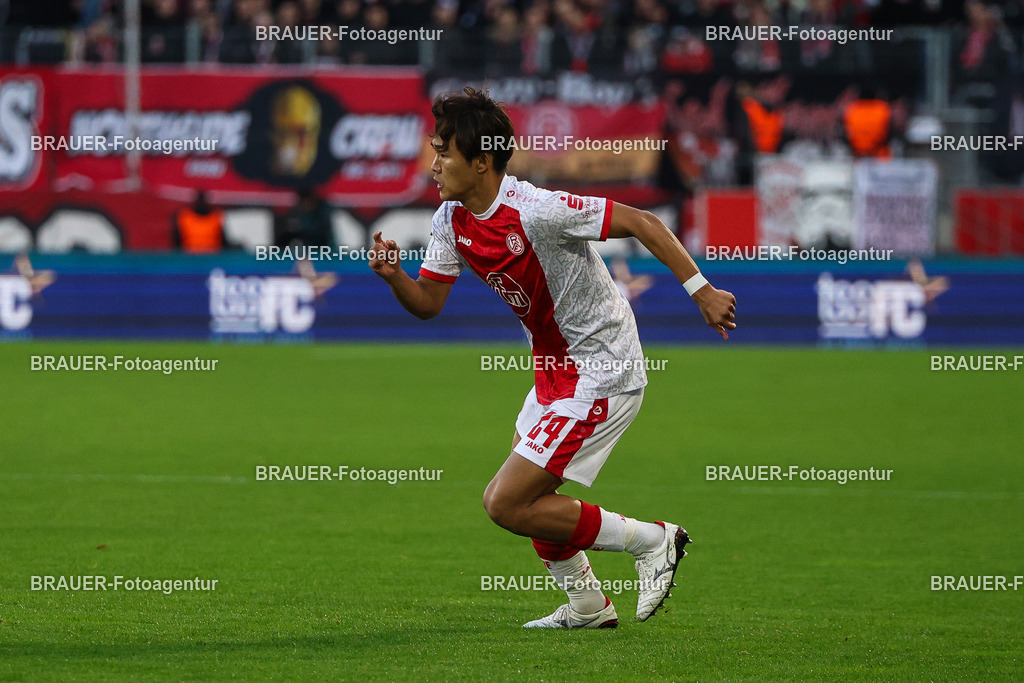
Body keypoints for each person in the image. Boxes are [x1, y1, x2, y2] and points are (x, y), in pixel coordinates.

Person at [369, 88, 737, 629]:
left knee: (506, 502)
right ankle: (588, 606)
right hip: (554, 375)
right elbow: (428, 304)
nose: (435, 164)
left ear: (482, 161)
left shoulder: (537, 211)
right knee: (531, 497)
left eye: (444, 152)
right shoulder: (450, 221)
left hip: (603, 369)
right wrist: (395, 276)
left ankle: (654, 541)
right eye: (435, 149)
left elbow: (641, 221)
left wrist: (700, 289)